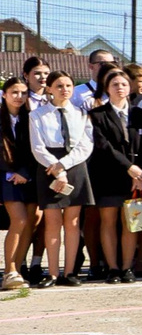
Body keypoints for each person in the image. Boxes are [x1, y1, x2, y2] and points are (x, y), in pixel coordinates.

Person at [28, 68, 92, 286]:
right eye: (59, 86)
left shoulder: (81, 113)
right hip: (48, 167)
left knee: (73, 222)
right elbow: (37, 147)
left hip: (73, 164)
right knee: (53, 221)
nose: (64, 90)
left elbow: (85, 145)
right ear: (49, 89)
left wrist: (64, 166)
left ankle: (70, 271)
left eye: (68, 86)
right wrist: (57, 170)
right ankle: (53, 273)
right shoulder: (36, 114)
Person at [83, 65, 142, 284]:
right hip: (108, 175)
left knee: (131, 222)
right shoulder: (97, 115)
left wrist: (138, 174)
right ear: (106, 88)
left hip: (137, 179)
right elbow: (103, 146)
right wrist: (129, 167)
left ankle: (127, 267)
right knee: (108, 221)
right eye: (115, 84)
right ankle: (112, 268)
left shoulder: (140, 114)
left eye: (124, 84)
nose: (120, 88)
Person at [3, 76, 37, 290]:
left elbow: (35, 149)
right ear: (4, 94)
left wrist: (24, 172)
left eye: (23, 93)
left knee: (30, 223)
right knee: (19, 220)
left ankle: (18, 269)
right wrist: (12, 173)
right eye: (14, 92)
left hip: (29, 176)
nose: (19, 96)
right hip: (5, 176)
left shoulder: (31, 118)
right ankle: (9, 270)